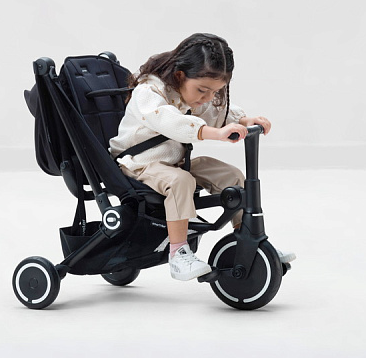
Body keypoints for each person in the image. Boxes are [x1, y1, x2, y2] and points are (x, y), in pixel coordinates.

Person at [109, 33, 280, 281]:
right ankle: (178, 253)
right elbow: (170, 121)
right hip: (138, 164)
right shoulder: (148, 92)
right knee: (181, 181)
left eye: (215, 91)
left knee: (231, 176)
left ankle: (248, 239)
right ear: (180, 75)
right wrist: (214, 133)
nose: (207, 97)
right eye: (202, 90)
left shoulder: (188, 93)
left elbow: (213, 111)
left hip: (174, 163)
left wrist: (244, 120)